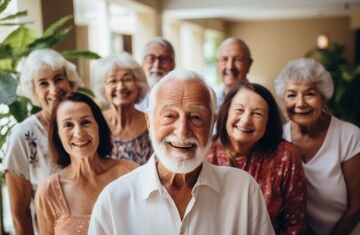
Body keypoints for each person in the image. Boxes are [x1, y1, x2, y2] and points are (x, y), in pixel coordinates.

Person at [88, 69, 275, 234]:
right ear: (149, 121)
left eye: (196, 117)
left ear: (212, 124)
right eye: (169, 116)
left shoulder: (243, 190)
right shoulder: (114, 200)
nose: (183, 132)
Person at [207, 81, 307, 234]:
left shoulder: (285, 155)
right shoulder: (204, 152)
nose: (246, 120)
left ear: (268, 122)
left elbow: (294, 224)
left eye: (257, 113)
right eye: (239, 110)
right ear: (226, 112)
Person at [275, 58, 360, 235]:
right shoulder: (278, 138)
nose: (300, 103)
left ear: (324, 98)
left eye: (309, 94)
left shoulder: (349, 136)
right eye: (292, 95)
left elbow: (356, 207)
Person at [2, 48, 82, 235]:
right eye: (43, 83)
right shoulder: (22, 137)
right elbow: (19, 213)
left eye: (58, 79)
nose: (54, 89)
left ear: (70, 82)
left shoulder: (85, 124)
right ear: (34, 92)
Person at [34, 92, 138, 234]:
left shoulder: (130, 173)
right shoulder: (48, 191)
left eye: (85, 122)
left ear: (98, 127)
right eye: (68, 125)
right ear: (58, 135)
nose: (78, 132)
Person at [91, 52, 153, 165]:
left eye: (127, 79)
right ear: (103, 88)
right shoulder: (94, 123)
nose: (120, 87)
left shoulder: (153, 123)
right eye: (112, 81)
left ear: (138, 85)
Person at [136, 37, 176, 112]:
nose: (157, 65)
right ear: (142, 64)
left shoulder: (182, 96)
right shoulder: (133, 98)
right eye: (151, 58)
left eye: (163, 59)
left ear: (173, 64)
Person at [216, 37, 253, 108]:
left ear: (249, 64)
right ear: (218, 63)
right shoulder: (212, 100)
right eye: (224, 59)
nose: (230, 67)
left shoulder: (258, 101)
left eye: (238, 59)